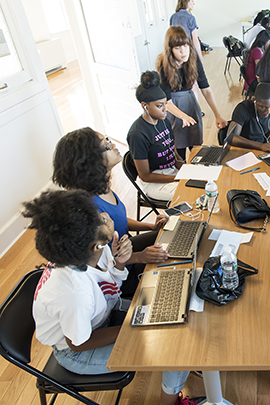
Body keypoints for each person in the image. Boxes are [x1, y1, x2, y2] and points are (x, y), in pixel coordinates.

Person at [26, 190, 195, 405]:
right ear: (95, 245)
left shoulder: (89, 252)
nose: (105, 215)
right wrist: (133, 327)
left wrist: (120, 262)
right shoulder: (74, 294)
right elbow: (78, 343)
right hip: (77, 353)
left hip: (103, 316)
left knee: (176, 304)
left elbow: (109, 289)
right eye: (101, 219)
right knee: (176, 349)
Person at [52, 127, 170, 296]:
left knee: (173, 234)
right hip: (117, 275)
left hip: (125, 249)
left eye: (108, 139)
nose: (112, 144)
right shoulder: (87, 208)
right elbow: (100, 261)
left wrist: (151, 227)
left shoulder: (102, 187)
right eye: (105, 145)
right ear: (90, 161)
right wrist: (141, 257)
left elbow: (119, 219)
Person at [156, 26, 227, 161]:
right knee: (179, 148)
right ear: (170, 50)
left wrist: (217, 115)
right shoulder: (163, 64)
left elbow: (206, 89)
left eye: (186, 46)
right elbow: (167, 102)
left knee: (196, 146)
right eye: (177, 48)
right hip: (173, 108)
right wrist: (183, 116)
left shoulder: (193, 59)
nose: (183, 51)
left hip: (190, 102)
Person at [127, 71, 183, 202]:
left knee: (205, 184)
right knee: (190, 193)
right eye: (159, 106)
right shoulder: (137, 134)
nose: (165, 109)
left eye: (165, 104)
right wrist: (178, 178)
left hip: (172, 172)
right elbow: (145, 176)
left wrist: (186, 169)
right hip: (155, 182)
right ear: (144, 106)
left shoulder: (164, 121)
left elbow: (173, 151)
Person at [227, 83, 270, 152]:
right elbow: (232, 137)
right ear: (254, 100)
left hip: (261, 150)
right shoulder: (243, 109)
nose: (268, 111)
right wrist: (260, 146)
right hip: (242, 148)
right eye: (263, 107)